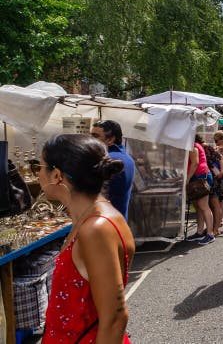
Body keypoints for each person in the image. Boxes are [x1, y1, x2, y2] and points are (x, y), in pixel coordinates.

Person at [38, 134, 135, 344]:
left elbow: (115, 319)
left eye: (40, 166)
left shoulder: (96, 228)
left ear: (56, 175)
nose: (38, 174)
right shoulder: (93, 218)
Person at [90, 120, 135, 221]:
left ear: (110, 140)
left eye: (95, 136)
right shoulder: (127, 158)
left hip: (105, 221)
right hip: (119, 219)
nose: (90, 140)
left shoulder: (108, 159)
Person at [186, 134, 215, 245]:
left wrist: (187, 179)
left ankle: (210, 234)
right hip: (199, 176)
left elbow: (195, 163)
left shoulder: (192, 146)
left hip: (200, 177)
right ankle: (199, 232)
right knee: (199, 207)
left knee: (203, 206)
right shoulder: (193, 144)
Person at [204, 137, 223, 236]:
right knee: (215, 206)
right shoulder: (218, 155)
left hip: (211, 183)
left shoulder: (207, 156)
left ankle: (215, 228)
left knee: (214, 206)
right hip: (217, 182)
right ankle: (214, 227)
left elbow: (222, 170)